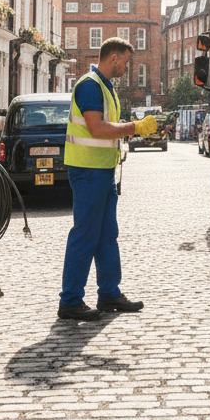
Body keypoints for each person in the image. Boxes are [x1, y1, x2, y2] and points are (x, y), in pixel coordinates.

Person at [58, 37, 160, 321]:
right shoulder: (90, 85)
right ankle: (70, 301)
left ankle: (109, 294)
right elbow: (96, 128)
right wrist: (135, 127)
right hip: (88, 172)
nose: (127, 66)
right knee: (85, 235)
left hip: (102, 171)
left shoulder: (104, 87)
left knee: (106, 236)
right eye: (126, 61)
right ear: (114, 58)